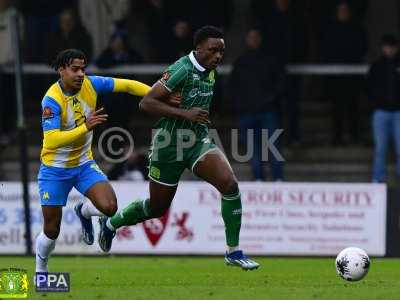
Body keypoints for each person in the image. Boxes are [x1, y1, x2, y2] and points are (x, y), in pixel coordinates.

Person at [98, 26, 259, 270]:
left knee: (230, 185)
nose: (218, 56)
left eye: (222, 52)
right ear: (199, 49)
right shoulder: (181, 69)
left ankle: (233, 252)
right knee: (156, 208)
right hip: (167, 146)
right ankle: (111, 225)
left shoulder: (210, 72)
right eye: (214, 50)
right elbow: (146, 102)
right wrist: (185, 113)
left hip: (197, 142)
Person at [35, 49, 151, 273]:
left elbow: (127, 85)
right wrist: (85, 127)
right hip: (54, 170)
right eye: (74, 69)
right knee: (51, 229)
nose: (80, 74)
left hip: (83, 164)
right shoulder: (51, 100)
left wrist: (157, 94)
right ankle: (41, 268)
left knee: (110, 207)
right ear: (61, 71)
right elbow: (52, 141)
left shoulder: (92, 84)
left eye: (83, 69)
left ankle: (84, 211)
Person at [229, 28, 285, 181]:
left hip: (268, 111)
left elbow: (280, 83)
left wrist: (270, 100)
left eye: (256, 37)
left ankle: (278, 180)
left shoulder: (271, 59)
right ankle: (259, 179)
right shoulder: (241, 62)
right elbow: (233, 87)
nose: (253, 40)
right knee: (253, 151)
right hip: (247, 113)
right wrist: (241, 105)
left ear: (260, 39)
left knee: (273, 148)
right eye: (250, 37)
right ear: (247, 40)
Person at [367, 35, 400, 182]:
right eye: (386, 46)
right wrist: (375, 103)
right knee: (380, 149)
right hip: (380, 112)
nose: (389, 49)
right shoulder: (376, 66)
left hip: (398, 112)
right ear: (382, 48)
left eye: (391, 46)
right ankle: (378, 179)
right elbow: (369, 88)